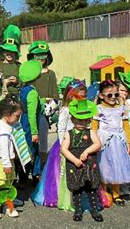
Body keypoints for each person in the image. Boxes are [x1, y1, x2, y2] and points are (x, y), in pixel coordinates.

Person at [32, 79, 87, 210]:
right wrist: (64, 145)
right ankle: (62, 196)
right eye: (80, 95)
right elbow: (61, 128)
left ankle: (79, 195)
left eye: (85, 96)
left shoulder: (84, 109)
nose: (83, 98)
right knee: (62, 171)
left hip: (80, 143)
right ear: (71, 95)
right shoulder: (66, 110)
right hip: (66, 144)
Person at [61, 99, 103, 222]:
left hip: (89, 164)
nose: (82, 123)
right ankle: (78, 211)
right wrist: (74, 160)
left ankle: (95, 210)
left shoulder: (91, 132)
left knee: (91, 188)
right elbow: (64, 149)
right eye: (79, 120)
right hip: (74, 165)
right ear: (73, 119)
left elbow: (97, 144)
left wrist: (87, 151)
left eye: (85, 120)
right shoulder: (69, 133)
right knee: (77, 189)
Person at [92, 80, 130, 206]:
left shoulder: (121, 108)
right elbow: (94, 126)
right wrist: (95, 141)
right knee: (105, 166)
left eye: (116, 94)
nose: (113, 98)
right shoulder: (98, 109)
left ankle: (116, 193)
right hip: (104, 141)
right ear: (102, 96)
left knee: (118, 166)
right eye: (110, 95)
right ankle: (103, 191)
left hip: (119, 141)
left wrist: (129, 143)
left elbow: (126, 126)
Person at [27, 41, 59, 165]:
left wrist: (50, 105)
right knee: (30, 139)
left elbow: (55, 95)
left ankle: (42, 166)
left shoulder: (51, 74)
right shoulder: (29, 75)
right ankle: (31, 166)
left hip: (44, 112)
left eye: (43, 55)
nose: (40, 59)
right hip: (30, 111)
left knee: (43, 140)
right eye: (37, 55)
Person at [18, 60, 43, 187]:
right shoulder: (32, 92)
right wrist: (34, 132)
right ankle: (25, 178)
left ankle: (31, 175)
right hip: (29, 124)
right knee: (30, 151)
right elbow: (32, 114)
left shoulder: (23, 89)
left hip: (22, 121)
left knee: (24, 149)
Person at [0, 25, 22, 96]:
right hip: (2, 96)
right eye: (7, 51)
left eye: (12, 51)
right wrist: (3, 82)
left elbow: (25, 82)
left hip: (17, 96)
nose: (9, 54)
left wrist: (17, 81)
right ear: (3, 52)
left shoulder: (19, 66)